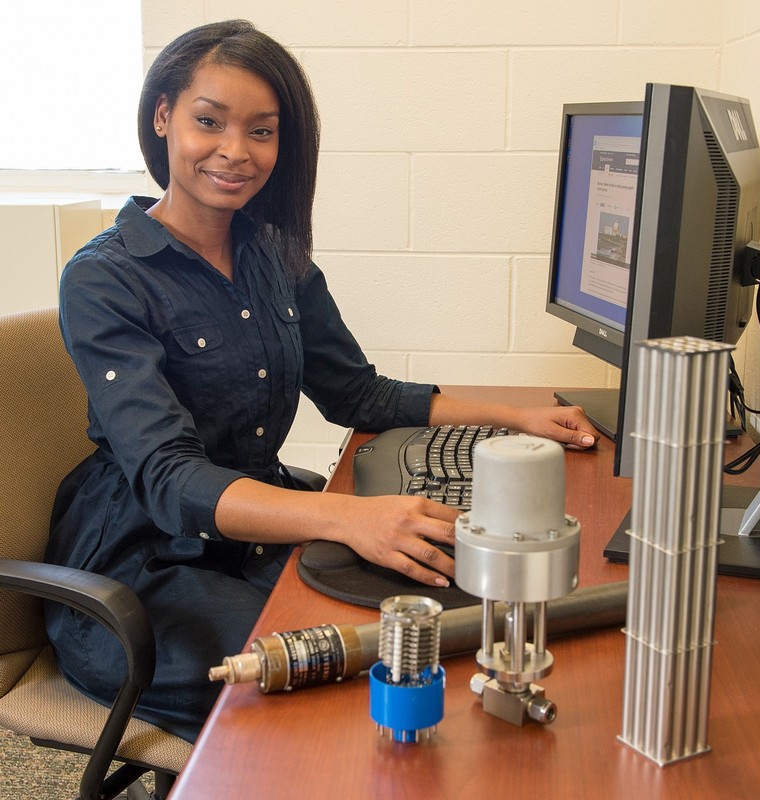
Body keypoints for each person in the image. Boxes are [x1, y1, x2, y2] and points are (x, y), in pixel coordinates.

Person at [44, 19, 598, 743]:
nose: (235, 152)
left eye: (262, 131)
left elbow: (356, 393)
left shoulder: (275, 250)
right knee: (343, 670)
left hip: (257, 533)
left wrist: (511, 417)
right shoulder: (104, 278)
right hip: (144, 564)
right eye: (208, 121)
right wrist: (348, 517)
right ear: (163, 118)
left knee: (439, 611)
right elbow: (171, 479)